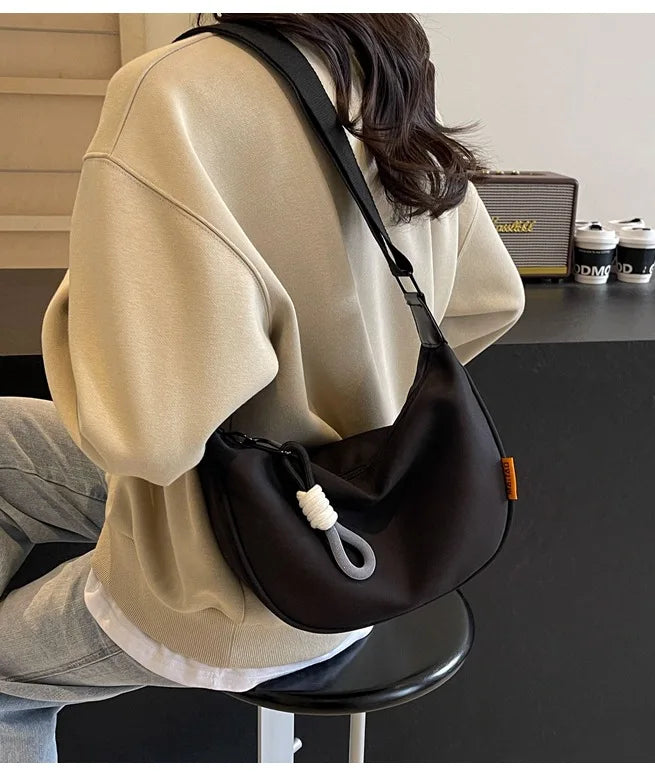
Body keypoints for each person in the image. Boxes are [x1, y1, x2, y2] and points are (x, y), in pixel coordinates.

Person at [0, 12, 525, 762]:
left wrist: (87, 307)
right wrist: (345, 403)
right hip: (367, 539)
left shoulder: (170, 91)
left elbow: (146, 437)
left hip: (237, 589)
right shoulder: (381, 60)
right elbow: (489, 300)